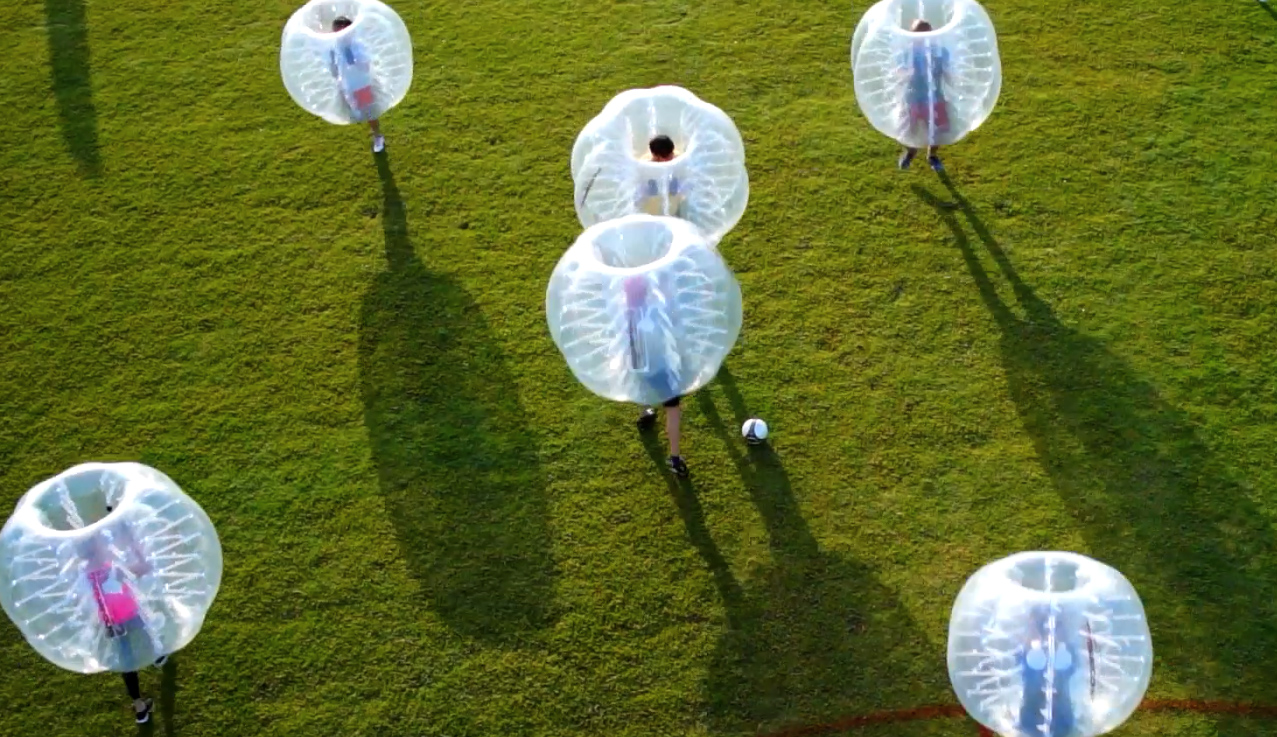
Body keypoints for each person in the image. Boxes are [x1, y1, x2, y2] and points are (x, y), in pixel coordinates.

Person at [83, 519, 168, 724]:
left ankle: (139, 707)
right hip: (129, 613)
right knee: (146, 626)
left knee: (127, 660)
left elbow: (86, 601)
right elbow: (145, 566)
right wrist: (133, 543)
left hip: (112, 624)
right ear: (97, 550)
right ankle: (157, 654)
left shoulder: (84, 575)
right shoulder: (114, 569)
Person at [626, 275, 689, 477]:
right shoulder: (654, 312)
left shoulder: (624, 314)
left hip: (636, 364)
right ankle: (675, 458)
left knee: (641, 383)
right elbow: (673, 323)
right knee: (673, 409)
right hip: (660, 368)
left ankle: (645, 412)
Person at [896, 19, 951, 172]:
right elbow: (898, 73)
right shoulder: (905, 53)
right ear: (912, 35)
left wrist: (952, 79)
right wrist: (907, 74)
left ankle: (932, 156)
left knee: (937, 130)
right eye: (919, 34)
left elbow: (948, 71)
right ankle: (910, 151)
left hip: (934, 97)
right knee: (908, 131)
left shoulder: (939, 51)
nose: (923, 37)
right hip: (912, 98)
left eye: (927, 33)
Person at [1016, 605, 1078, 737]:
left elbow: (1070, 665)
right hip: (1035, 715)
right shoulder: (1028, 653)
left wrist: (1062, 643)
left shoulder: (1065, 652)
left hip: (1059, 715)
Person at [329, 17, 385, 153]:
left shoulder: (357, 45)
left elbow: (365, 67)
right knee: (354, 111)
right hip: (346, 85)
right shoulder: (334, 46)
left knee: (369, 112)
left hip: (361, 85)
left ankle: (378, 136)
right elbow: (334, 67)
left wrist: (353, 60)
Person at [637, 135, 689, 219]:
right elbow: (640, 194)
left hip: (672, 196)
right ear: (655, 155)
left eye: (671, 153)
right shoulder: (645, 167)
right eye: (666, 157)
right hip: (652, 205)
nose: (671, 157)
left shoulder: (676, 158)